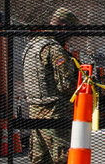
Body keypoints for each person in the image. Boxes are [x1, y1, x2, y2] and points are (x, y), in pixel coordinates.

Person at [23, 8, 80, 164]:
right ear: (63, 26)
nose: (70, 36)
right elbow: (66, 84)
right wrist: (82, 89)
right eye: (70, 30)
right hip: (55, 112)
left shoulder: (32, 45)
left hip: (35, 111)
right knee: (62, 158)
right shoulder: (54, 49)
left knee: (39, 159)